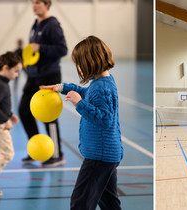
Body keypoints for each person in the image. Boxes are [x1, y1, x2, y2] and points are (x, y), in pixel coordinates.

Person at [40, 36, 123, 210]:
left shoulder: (102, 87)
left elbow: (105, 120)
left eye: (79, 63)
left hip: (98, 156)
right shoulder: (103, 82)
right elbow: (86, 93)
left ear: (90, 62)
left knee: (80, 203)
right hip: (107, 154)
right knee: (109, 203)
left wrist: (79, 104)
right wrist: (62, 87)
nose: (78, 68)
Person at [18, 0, 67, 167]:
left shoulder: (52, 25)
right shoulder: (35, 24)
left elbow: (62, 49)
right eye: (32, 2)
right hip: (33, 76)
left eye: (38, 2)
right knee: (24, 110)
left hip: (49, 76)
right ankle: (37, 150)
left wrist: (42, 48)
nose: (34, 5)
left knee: (49, 117)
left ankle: (57, 155)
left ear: (47, 4)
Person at [0, 52, 22, 195]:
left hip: (2, 121)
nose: (17, 75)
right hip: (0, 125)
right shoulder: (1, 85)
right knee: (8, 154)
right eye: (16, 71)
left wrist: (10, 114)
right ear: (6, 67)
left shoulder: (3, 83)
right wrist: (5, 120)